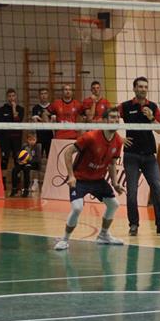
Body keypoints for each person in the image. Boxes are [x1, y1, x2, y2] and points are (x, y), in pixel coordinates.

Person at [53, 107, 125, 249]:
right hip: (80, 179)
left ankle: (103, 235)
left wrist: (115, 183)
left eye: (117, 117)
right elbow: (68, 152)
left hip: (98, 180)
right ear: (105, 121)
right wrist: (71, 176)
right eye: (112, 117)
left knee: (114, 204)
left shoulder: (118, 141)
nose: (116, 120)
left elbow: (112, 164)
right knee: (77, 208)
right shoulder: (90, 137)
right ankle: (64, 240)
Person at [118, 76, 160, 237]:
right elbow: (108, 119)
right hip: (131, 155)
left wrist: (151, 118)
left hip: (149, 155)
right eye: (140, 86)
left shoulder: (153, 107)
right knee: (132, 192)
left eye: (145, 87)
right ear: (134, 88)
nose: (143, 89)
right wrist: (119, 139)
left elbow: (159, 130)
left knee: (157, 188)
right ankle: (134, 225)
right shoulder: (125, 106)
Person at [0, 88, 25, 195]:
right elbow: (1, 122)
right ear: (6, 97)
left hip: (16, 138)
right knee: (4, 161)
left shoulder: (20, 109)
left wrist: (14, 108)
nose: (11, 98)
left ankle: (17, 184)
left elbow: (17, 120)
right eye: (9, 96)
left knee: (18, 161)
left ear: (16, 97)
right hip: (5, 139)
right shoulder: (1, 109)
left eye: (13, 96)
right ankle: (3, 183)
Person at [12, 132, 42, 197]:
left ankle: (26, 190)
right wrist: (19, 161)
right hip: (25, 163)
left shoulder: (37, 146)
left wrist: (28, 162)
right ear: (27, 140)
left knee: (26, 169)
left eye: (33, 140)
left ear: (36, 140)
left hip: (34, 164)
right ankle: (14, 189)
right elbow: (19, 155)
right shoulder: (24, 146)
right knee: (15, 169)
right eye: (30, 140)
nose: (32, 141)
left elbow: (37, 159)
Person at [31, 88, 54, 160]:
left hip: (49, 136)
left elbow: (53, 122)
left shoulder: (52, 107)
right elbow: (35, 122)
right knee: (38, 158)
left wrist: (40, 119)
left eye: (45, 93)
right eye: (42, 94)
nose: (43, 96)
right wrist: (46, 119)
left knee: (50, 158)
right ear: (39, 96)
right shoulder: (35, 108)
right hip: (39, 136)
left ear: (48, 95)